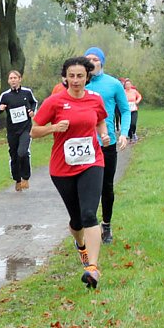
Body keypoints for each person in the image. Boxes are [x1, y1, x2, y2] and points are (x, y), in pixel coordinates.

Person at [31, 56, 110, 289]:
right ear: (64, 77)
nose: (76, 80)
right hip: (63, 168)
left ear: (88, 77)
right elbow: (34, 131)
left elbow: (100, 122)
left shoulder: (95, 100)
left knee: (89, 214)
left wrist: (103, 135)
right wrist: (54, 128)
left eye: (80, 76)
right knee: (76, 220)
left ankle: (93, 269)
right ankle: (81, 245)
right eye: (71, 76)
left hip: (92, 162)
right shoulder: (54, 102)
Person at [83, 46, 130, 245]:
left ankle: (107, 224)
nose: (92, 62)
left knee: (106, 187)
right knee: (85, 187)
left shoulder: (112, 84)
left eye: (95, 59)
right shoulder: (77, 84)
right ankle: (89, 225)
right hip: (84, 142)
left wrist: (125, 134)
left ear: (101, 62)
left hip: (107, 142)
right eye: (88, 59)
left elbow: (125, 110)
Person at [0, 70, 38, 191]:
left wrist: (32, 111)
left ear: (20, 79)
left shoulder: (27, 92)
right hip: (12, 130)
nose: (13, 80)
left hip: (26, 128)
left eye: (15, 78)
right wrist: (0, 109)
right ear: (8, 81)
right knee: (14, 155)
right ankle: (17, 180)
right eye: (10, 78)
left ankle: (25, 177)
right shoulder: (5, 95)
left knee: (23, 152)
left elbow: (34, 102)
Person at [124, 78, 142, 143]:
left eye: (129, 84)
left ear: (131, 85)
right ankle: (131, 137)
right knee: (128, 124)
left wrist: (137, 101)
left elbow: (139, 96)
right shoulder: (123, 92)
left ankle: (134, 133)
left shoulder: (134, 91)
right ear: (125, 85)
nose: (128, 85)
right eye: (126, 84)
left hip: (134, 110)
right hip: (126, 111)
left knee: (133, 124)